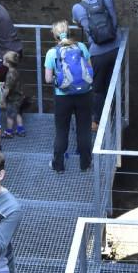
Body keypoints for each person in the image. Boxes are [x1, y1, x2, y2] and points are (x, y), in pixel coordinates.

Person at [44, 20, 93, 173]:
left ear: (54, 35)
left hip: (63, 96)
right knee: (84, 129)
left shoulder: (52, 53)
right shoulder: (81, 47)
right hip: (85, 94)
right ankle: (85, 164)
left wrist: (60, 80)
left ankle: (58, 165)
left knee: (61, 130)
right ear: (69, 32)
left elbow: (47, 79)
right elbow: (90, 68)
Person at [71, 0, 119, 130]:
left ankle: (96, 122)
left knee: (98, 88)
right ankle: (113, 115)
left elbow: (78, 23)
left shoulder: (77, 7)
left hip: (98, 53)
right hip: (115, 48)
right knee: (112, 83)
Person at [0, 51, 26, 138]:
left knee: (9, 116)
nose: (2, 61)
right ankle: (20, 130)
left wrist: (2, 99)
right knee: (18, 113)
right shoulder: (15, 71)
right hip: (19, 96)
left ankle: (8, 132)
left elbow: (7, 90)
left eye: (3, 60)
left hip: (12, 98)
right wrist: (5, 84)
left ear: (7, 63)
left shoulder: (10, 74)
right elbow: (13, 83)